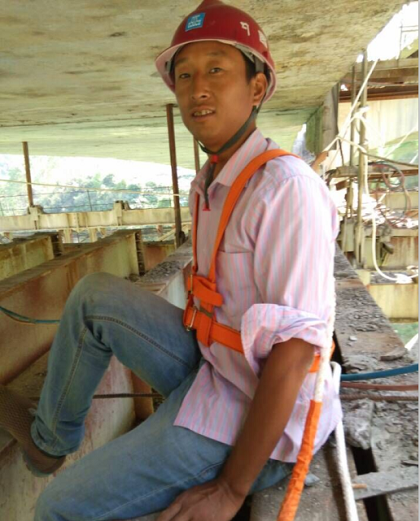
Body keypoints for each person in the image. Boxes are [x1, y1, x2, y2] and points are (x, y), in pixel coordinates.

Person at [0, 1, 342, 520]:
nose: (197, 88)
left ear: (256, 88)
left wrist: (229, 489)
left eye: (216, 70)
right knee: (95, 297)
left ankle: (209, 458)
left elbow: (294, 356)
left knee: (56, 509)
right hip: (218, 368)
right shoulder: (211, 183)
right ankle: (49, 442)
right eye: (184, 75)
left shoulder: (286, 190)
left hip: (262, 420)